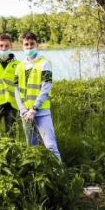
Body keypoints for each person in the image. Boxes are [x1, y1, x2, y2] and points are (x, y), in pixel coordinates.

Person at [15, 31, 62, 162]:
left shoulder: (45, 63)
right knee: (32, 147)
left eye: (32, 44)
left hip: (41, 112)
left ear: (37, 45)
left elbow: (46, 88)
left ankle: (60, 175)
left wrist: (34, 108)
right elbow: (16, 90)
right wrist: (23, 109)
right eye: (26, 44)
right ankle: (37, 174)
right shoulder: (19, 66)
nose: (29, 47)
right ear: (22, 46)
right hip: (25, 114)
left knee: (50, 146)